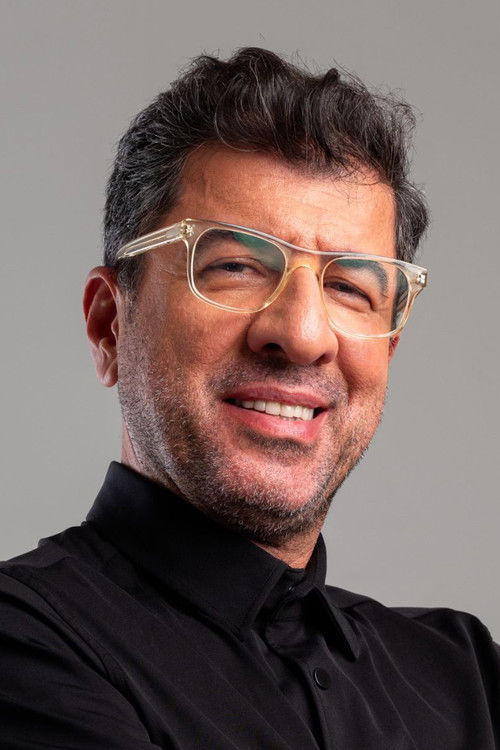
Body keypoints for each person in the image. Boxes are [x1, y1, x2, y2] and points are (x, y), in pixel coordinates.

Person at [0, 47, 498, 749]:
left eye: (350, 286)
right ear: (109, 325)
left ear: (388, 349)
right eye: (235, 266)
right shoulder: (24, 645)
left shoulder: (465, 678)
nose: (303, 335)